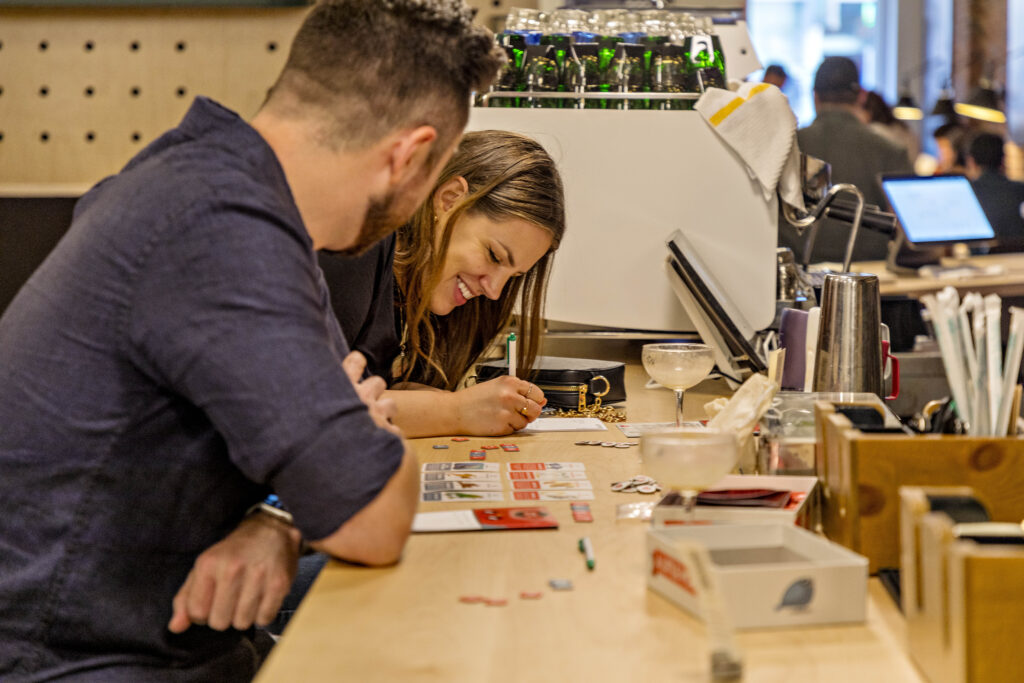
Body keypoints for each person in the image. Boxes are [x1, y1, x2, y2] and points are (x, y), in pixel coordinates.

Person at [0, 1, 504, 681]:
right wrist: (355, 444)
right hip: (77, 660)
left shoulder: (226, 188)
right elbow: (375, 516)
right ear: (409, 155)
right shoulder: (221, 230)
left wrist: (278, 516)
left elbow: (352, 458)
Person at [318, 130, 566, 438]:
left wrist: (413, 398)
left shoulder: (408, 290)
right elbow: (306, 409)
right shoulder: (351, 240)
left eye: (513, 277)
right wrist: (452, 411)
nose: (494, 291)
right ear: (449, 200)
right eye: (493, 255)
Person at [782, 57, 913, 263]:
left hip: (798, 279)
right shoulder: (891, 151)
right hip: (870, 279)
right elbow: (909, 225)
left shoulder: (786, 147)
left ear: (814, 97)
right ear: (861, 96)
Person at [966, 132, 1024, 253]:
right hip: (1018, 259)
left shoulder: (967, 193)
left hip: (979, 261)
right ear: (1003, 161)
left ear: (971, 162)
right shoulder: (1020, 190)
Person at [857, 90, 919, 163]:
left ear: (869, 111)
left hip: (889, 172)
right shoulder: (902, 127)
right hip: (908, 171)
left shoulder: (874, 131)